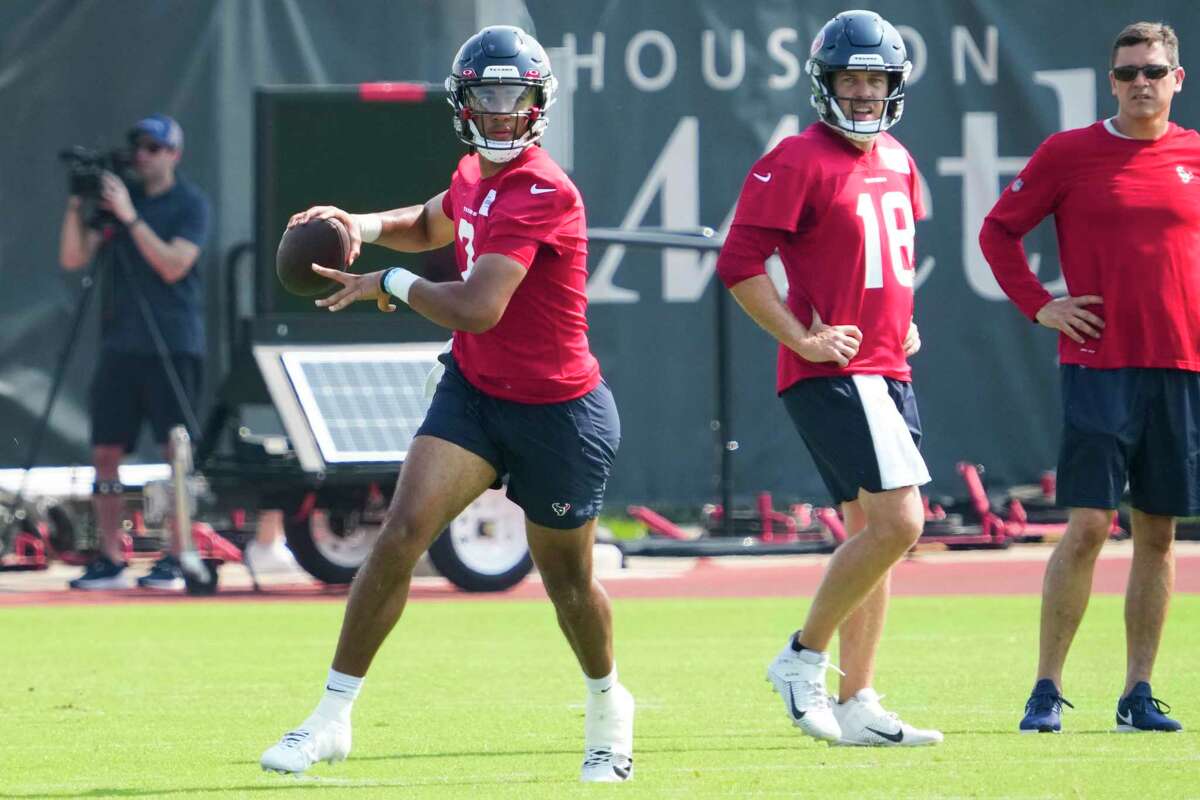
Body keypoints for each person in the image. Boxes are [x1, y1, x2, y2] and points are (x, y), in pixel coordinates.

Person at [259, 26, 633, 782]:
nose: (501, 112)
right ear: (464, 104)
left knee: (565, 583)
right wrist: (361, 226)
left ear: (537, 103)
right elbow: (433, 221)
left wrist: (388, 284)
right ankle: (331, 717)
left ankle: (607, 707)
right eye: (487, 97)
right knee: (401, 532)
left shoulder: (543, 189)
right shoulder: (474, 173)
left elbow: (479, 306)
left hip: (558, 411)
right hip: (476, 393)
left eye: (514, 97)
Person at [715, 10, 942, 747]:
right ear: (825, 84)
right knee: (901, 523)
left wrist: (899, 319)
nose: (866, 93)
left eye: (877, 79)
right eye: (852, 78)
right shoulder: (798, 157)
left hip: (886, 363)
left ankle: (858, 699)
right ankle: (801, 657)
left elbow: (885, 261)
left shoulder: (900, 159)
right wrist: (802, 337)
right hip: (840, 370)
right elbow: (739, 263)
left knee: (870, 531)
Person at [980, 21, 1193, 734]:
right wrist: (1042, 305)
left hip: (1180, 371)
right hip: (1099, 367)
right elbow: (997, 231)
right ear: (1112, 81)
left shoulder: (1196, 155)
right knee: (1089, 527)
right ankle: (1047, 689)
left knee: (1158, 535)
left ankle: (1138, 693)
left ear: (1177, 80)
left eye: (1155, 71)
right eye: (1129, 71)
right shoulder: (1069, 153)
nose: (1142, 82)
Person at [58, 113, 212, 591]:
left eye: (152, 147)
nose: (141, 155)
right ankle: (109, 557)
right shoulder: (119, 199)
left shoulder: (189, 204)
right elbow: (72, 258)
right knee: (105, 450)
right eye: (137, 147)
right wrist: (77, 203)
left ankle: (175, 553)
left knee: (175, 452)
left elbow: (173, 265)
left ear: (173, 154)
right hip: (120, 343)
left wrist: (130, 217)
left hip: (172, 341)